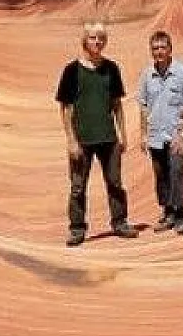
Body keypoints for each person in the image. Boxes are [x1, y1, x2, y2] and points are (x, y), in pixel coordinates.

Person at [54, 21, 135, 247]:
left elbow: (117, 105)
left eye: (101, 38)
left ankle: (120, 222)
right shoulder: (72, 70)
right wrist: (71, 140)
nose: (97, 42)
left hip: (108, 138)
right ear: (85, 41)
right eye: (93, 37)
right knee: (78, 187)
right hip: (82, 139)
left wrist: (123, 135)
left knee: (115, 182)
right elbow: (66, 108)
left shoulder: (112, 69)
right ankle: (77, 228)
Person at [137, 30, 183, 234]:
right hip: (155, 135)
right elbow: (143, 106)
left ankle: (180, 214)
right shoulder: (147, 75)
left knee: (176, 171)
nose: (159, 52)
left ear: (170, 49)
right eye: (155, 48)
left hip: (176, 135)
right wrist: (143, 134)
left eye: (163, 47)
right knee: (161, 174)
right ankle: (168, 212)